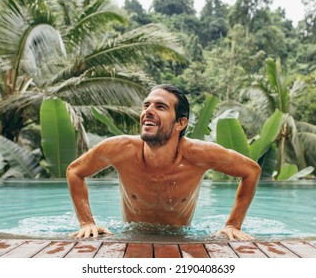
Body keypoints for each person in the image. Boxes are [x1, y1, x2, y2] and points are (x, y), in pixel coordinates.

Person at [66, 84, 261, 240]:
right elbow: (75, 171)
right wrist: (86, 223)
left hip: (182, 240)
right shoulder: (119, 149)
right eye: (146, 105)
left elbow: (251, 171)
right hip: (132, 237)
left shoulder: (201, 155)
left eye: (160, 107)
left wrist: (233, 225)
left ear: (180, 123)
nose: (148, 111)